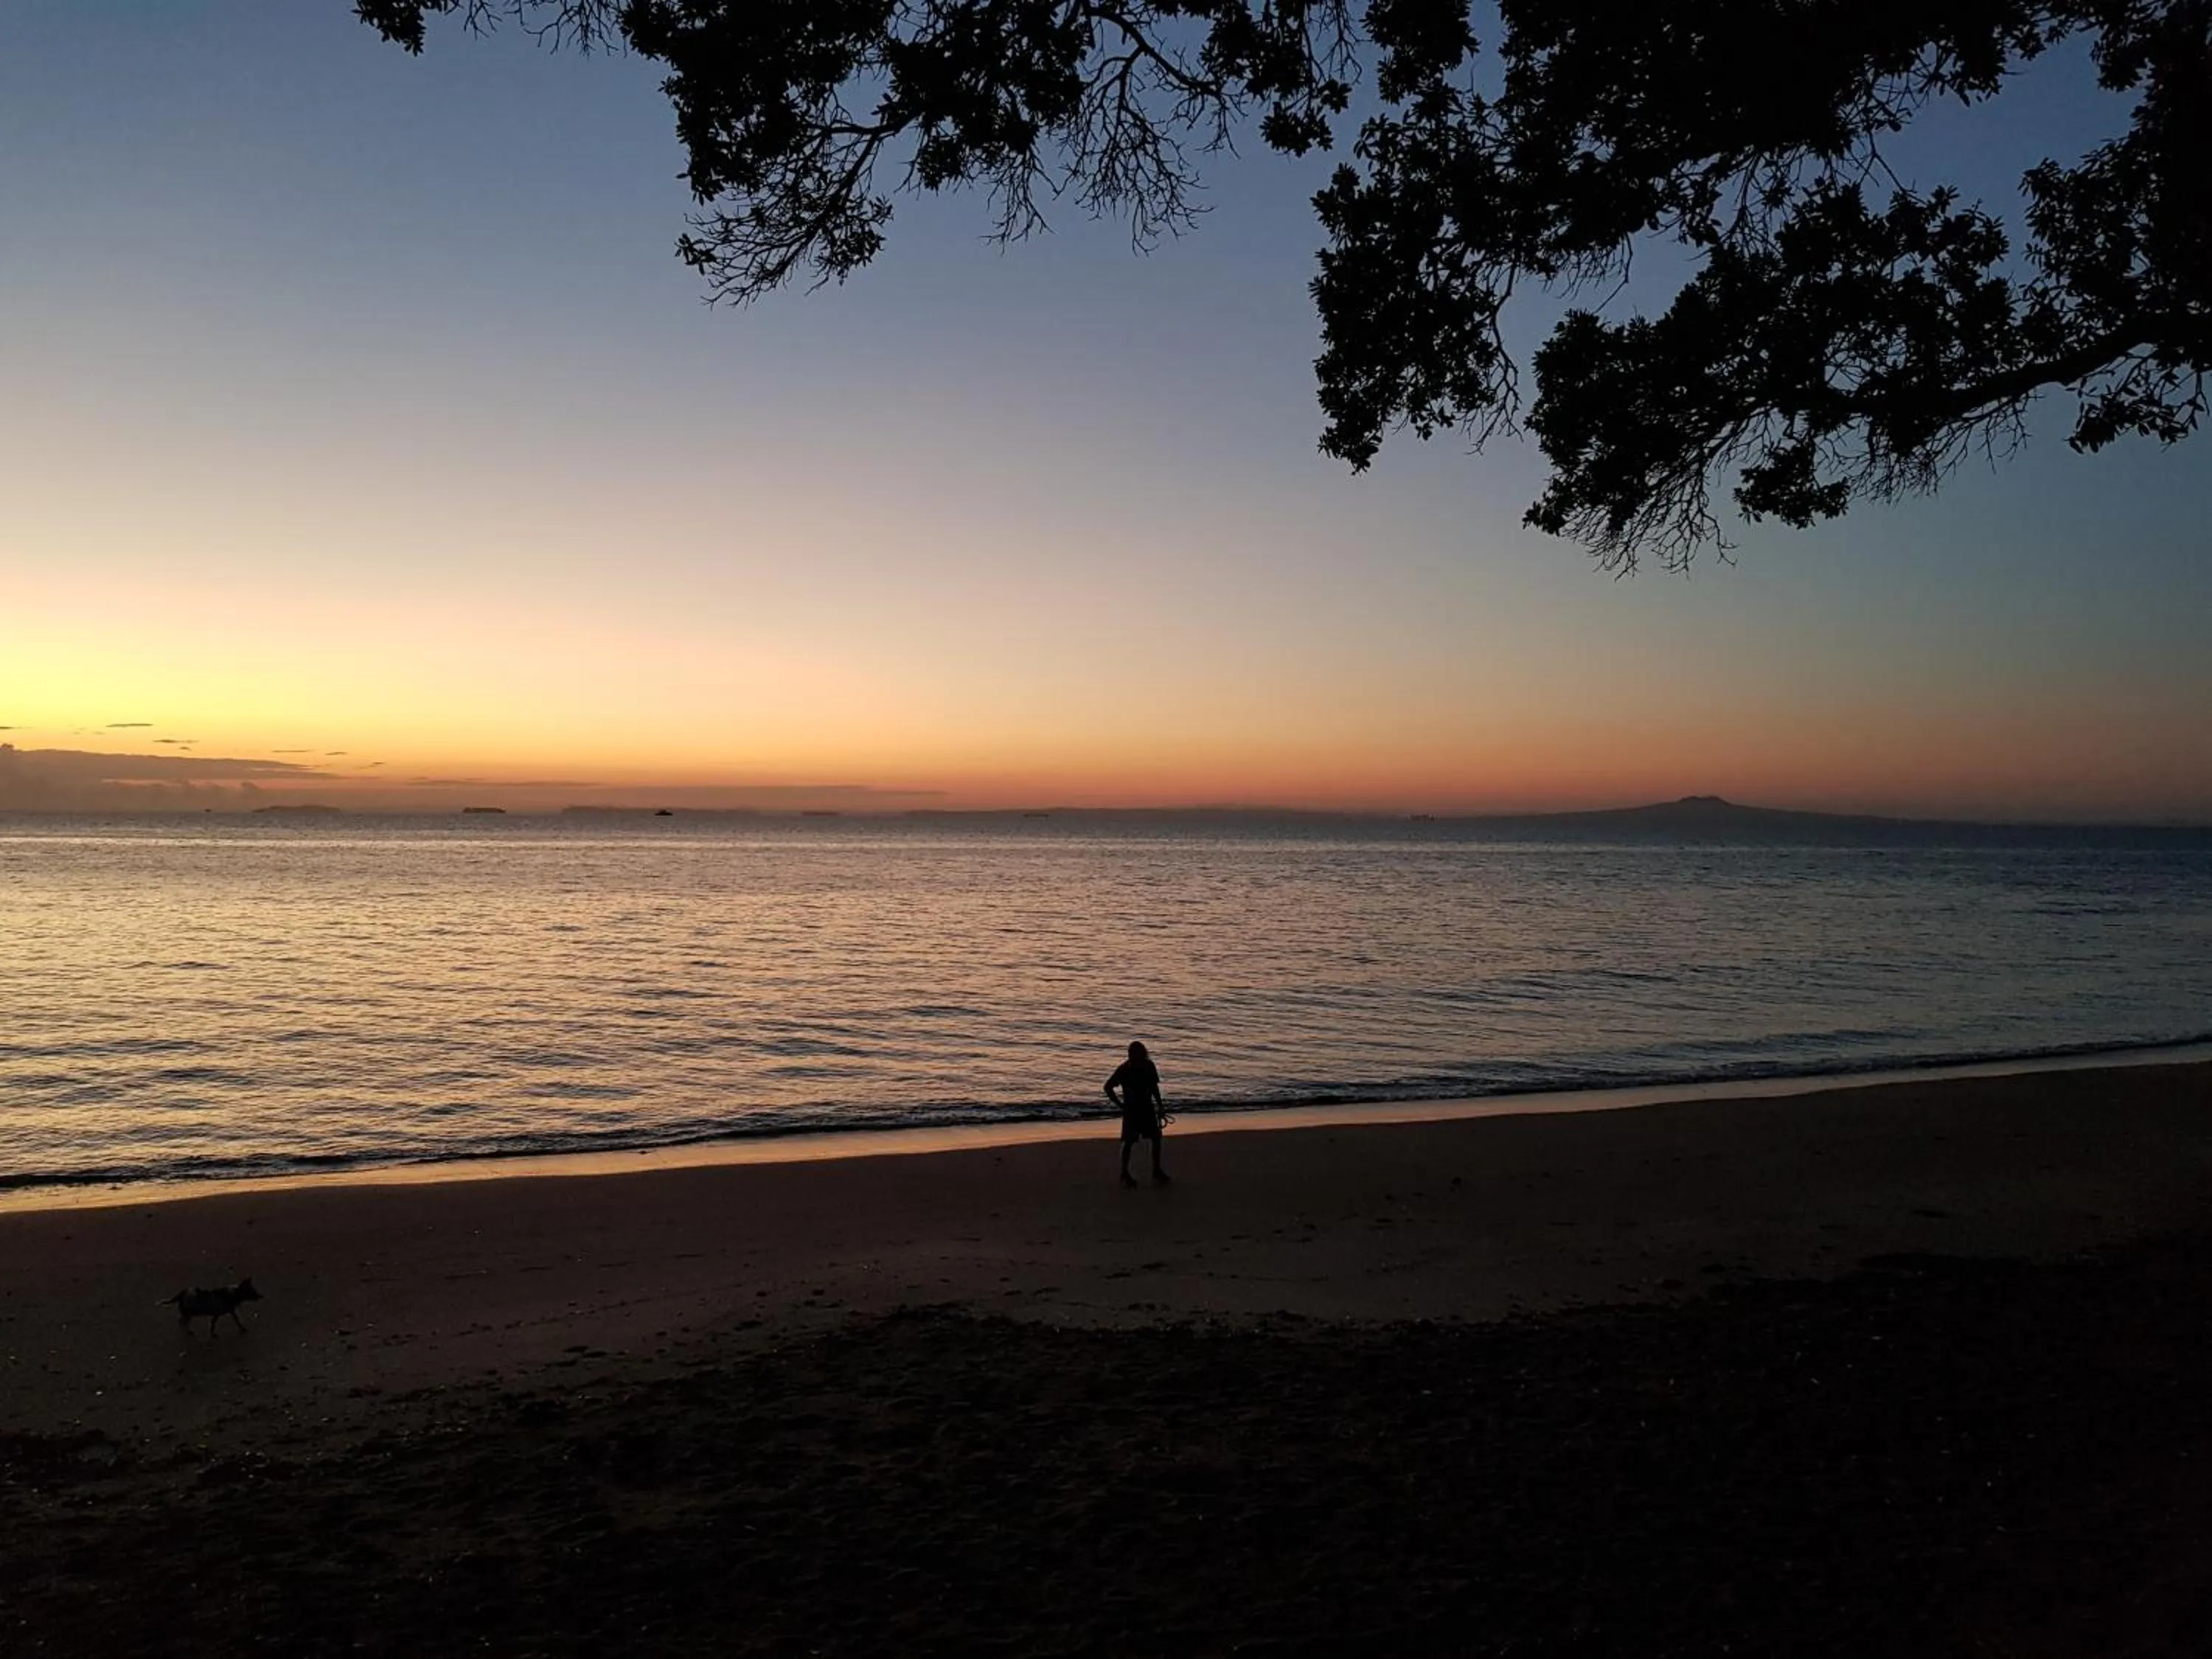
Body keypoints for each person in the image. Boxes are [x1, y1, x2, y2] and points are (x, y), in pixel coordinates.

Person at [1104, 1039, 1170, 1187]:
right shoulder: (1125, 1069)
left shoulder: (1147, 1066)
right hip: (1133, 1110)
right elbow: (1108, 1087)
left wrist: (1160, 1105)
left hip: (1145, 1108)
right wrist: (1121, 1105)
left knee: (1155, 1138)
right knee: (1129, 1142)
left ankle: (1155, 1169)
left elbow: (1154, 1088)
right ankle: (1125, 1172)